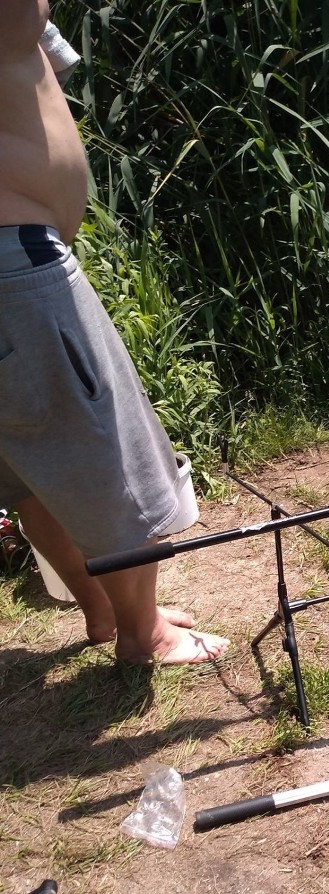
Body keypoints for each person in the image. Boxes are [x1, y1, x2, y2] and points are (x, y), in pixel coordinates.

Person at [0, 0, 229, 664]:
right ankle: (144, 634)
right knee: (109, 458)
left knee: (30, 465)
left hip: (15, 253)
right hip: (15, 264)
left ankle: (107, 613)